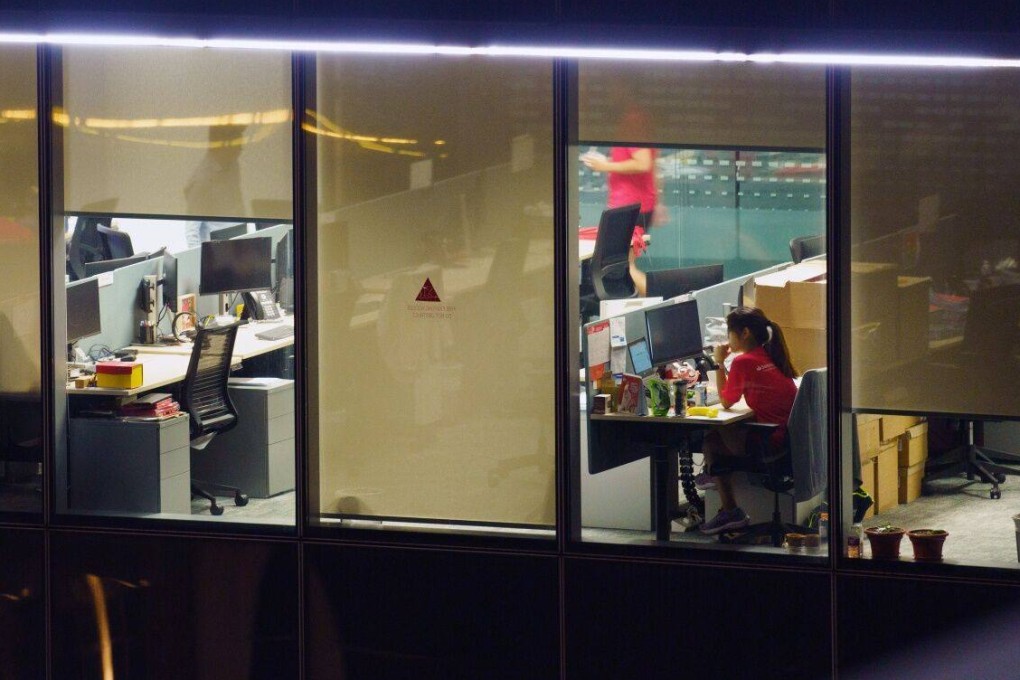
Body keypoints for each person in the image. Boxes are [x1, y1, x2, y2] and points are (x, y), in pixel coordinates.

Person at [696, 307, 799, 535]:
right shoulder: (770, 355)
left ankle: (726, 502)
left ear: (744, 333)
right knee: (717, 439)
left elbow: (726, 401)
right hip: (784, 442)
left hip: (768, 444)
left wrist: (719, 363)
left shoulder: (744, 362)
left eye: (729, 332)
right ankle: (713, 479)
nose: (727, 338)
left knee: (710, 438)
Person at [581, 147, 659, 295]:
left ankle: (665, 301)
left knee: (624, 269)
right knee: (622, 268)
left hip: (628, 209)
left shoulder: (631, 133)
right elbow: (650, 164)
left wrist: (605, 165)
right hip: (633, 206)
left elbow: (643, 164)